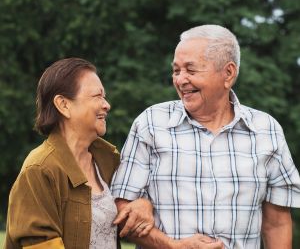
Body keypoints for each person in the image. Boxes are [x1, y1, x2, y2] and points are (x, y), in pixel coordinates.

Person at [111, 25, 300, 249]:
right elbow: (123, 209)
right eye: (176, 70)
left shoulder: (266, 130)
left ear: (228, 73)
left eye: (191, 70)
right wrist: (173, 246)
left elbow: (276, 224)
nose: (181, 80)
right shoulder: (151, 124)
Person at [4, 57, 154, 249]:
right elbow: (40, 244)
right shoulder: (40, 169)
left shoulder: (109, 160)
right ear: (63, 104)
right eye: (97, 96)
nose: (106, 105)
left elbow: (129, 213)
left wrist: (144, 204)